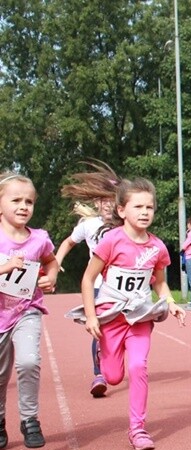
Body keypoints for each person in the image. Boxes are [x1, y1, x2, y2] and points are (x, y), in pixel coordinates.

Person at [73, 178, 186, 450]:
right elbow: (88, 279)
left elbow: (159, 282)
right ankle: (103, 357)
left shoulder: (157, 247)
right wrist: (91, 315)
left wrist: (170, 302)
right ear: (122, 210)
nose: (145, 212)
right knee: (112, 377)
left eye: (149, 207)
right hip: (111, 316)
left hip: (140, 318)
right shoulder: (111, 241)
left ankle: (137, 429)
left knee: (138, 367)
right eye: (138, 207)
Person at [0, 173, 58, 449]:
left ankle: (29, 419)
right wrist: (7, 267)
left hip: (27, 309)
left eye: (29, 202)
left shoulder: (39, 239)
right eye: (16, 200)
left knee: (28, 362)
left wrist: (51, 277)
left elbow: (51, 261)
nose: (24, 206)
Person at [57, 162, 120, 398]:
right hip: (97, 286)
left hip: (121, 289)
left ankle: (116, 360)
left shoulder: (125, 225)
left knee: (122, 330)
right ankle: (98, 373)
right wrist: (56, 261)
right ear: (96, 202)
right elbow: (68, 242)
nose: (108, 204)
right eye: (103, 200)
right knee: (99, 329)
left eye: (112, 199)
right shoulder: (88, 225)